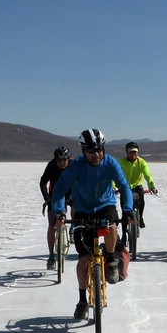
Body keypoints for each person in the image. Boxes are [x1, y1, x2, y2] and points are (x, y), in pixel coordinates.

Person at [51, 129, 136, 320]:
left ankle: (111, 259)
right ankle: (82, 300)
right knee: (84, 259)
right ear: (83, 151)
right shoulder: (76, 166)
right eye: (91, 151)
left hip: (106, 206)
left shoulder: (110, 163)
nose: (96, 155)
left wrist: (128, 209)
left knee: (112, 227)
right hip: (83, 211)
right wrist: (59, 211)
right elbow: (60, 188)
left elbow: (124, 186)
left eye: (99, 150)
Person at [39, 146, 71, 270]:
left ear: (69, 159)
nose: (61, 163)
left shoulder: (73, 166)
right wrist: (47, 199)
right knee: (52, 224)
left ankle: (73, 230)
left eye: (64, 160)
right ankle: (51, 255)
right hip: (55, 195)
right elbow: (43, 182)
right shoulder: (52, 165)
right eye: (58, 160)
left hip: (71, 193)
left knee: (76, 212)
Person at [117, 141, 158, 228]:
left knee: (141, 201)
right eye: (131, 152)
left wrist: (152, 187)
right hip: (125, 186)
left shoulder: (142, 162)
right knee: (125, 213)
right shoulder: (121, 162)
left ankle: (141, 217)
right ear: (127, 152)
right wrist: (114, 186)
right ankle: (124, 236)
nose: (133, 154)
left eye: (135, 152)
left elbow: (147, 175)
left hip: (137, 186)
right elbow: (116, 174)